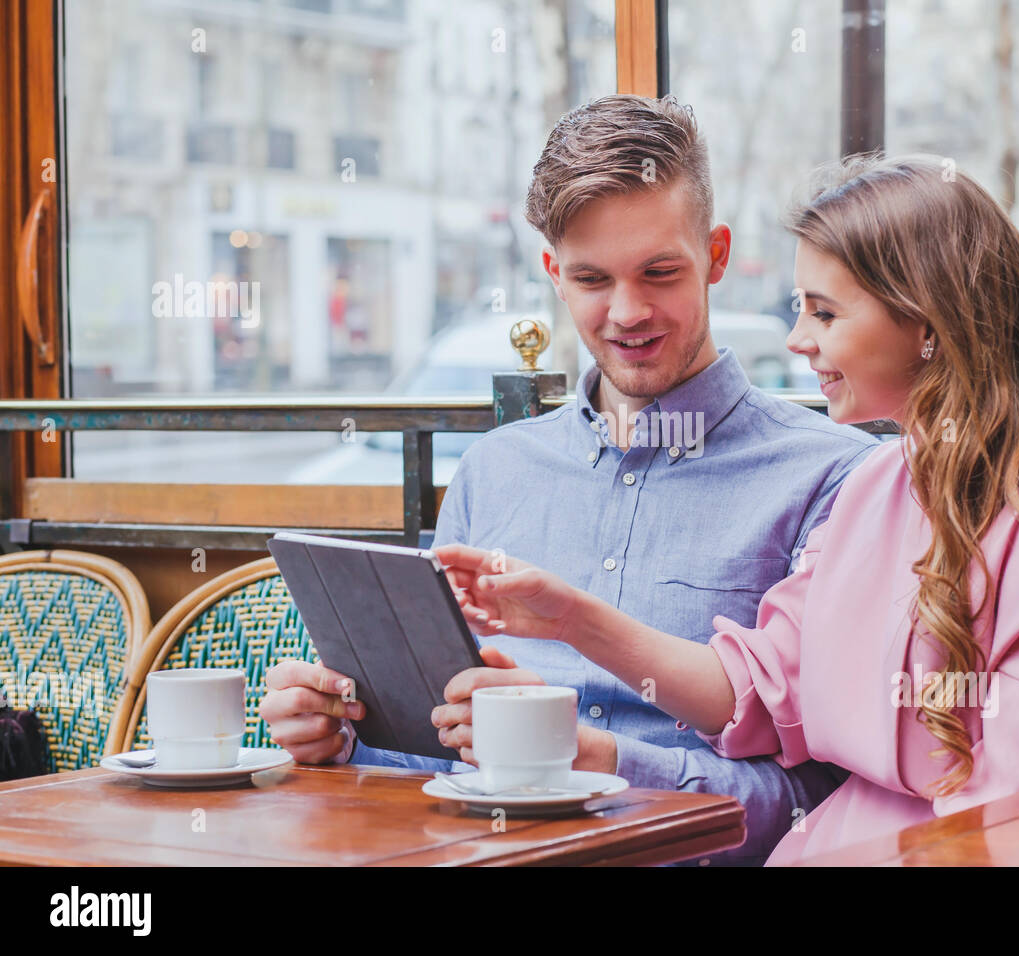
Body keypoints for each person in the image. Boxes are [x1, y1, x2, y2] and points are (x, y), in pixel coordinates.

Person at [437, 154, 1019, 865]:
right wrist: (572, 617)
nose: (798, 340)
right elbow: (757, 689)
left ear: (926, 325)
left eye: (826, 314)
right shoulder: (882, 483)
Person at [259, 95, 878, 865]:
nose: (628, 311)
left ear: (716, 257)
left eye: (660, 272)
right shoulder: (494, 470)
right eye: (591, 278)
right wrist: (342, 740)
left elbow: (821, 805)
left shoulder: (833, 478)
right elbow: (434, 759)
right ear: (553, 273)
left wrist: (606, 765)